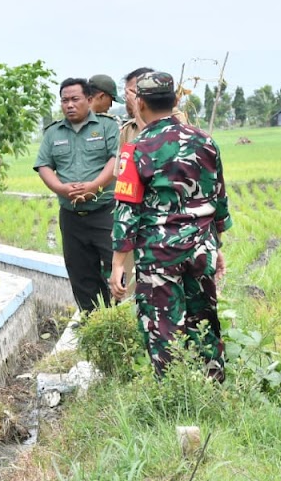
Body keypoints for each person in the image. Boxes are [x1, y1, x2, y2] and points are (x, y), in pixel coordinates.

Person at [109, 71, 232, 381]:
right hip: (201, 248)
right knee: (204, 322)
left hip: (158, 254)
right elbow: (218, 200)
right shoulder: (205, 141)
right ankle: (214, 391)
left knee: (163, 329)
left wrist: (117, 266)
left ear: (140, 103)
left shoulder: (136, 149)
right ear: (176, 101)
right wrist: (216, 248)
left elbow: (126, 211)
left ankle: (174, 398)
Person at [34, 78, 119, 314]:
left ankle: (120, 321)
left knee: (117, 269)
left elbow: (116, 159)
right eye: (64, 100)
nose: (69, 105)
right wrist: (61, 188)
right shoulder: (53, 132)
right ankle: (93, 323)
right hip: (71, 217)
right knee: (81, 276)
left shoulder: (107, 126)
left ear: (89, 100)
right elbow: (43, 165)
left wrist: (94, 186)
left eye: (75, 99)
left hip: (105, 213)